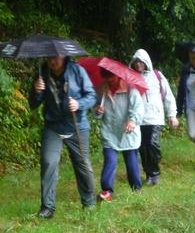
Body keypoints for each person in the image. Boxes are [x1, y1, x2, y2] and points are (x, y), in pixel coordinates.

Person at [30, 55, 98, 217]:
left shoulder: (77, 71)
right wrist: (36, 91)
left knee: (82, 164)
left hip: (77, 126)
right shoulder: (41, 73)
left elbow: (91, 96)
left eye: (56, 57)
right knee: (48, 162)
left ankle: (89, 202)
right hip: (53, 126)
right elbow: (33, 104)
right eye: (49, 57)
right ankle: (47, 207)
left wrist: (78, 104)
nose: (52, 61)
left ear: (64, 56)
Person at [94, 68, 144, 201]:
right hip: (109, 131)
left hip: (128, 132)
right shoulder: (101, 90)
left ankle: (137, 188)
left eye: (112, 76)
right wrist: (97, 111)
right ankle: (107, 191)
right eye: (107, 77)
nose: (110, 79)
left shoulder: (131, 90)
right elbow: (95, 111)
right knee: (110, 160)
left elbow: (138, 108)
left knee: (131, 161)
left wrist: (133, 120)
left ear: (119, 75)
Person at [130, 49, 178, 185]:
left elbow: (168, 95)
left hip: (155, 117)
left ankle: (155, 173)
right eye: (136, 62)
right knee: (142, 147)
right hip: (138, 119)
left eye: (141, 61)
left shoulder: (157, 75)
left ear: (146, 62)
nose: (138, 64)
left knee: (152, 144)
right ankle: (149, 174)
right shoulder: (130, 78)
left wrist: (172, 115)